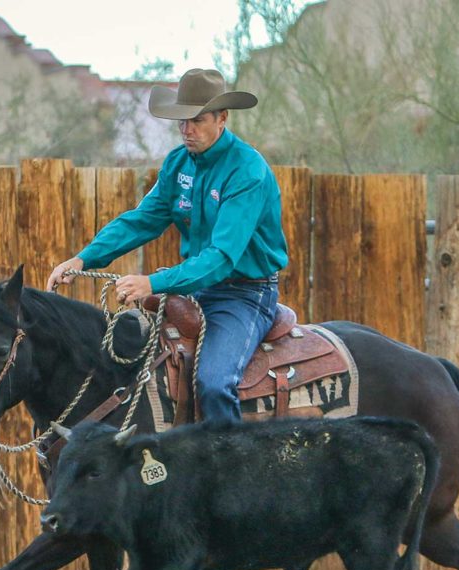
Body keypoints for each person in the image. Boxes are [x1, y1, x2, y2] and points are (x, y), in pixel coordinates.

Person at [47, 68, 288, 422]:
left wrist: (152, 283)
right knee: (129, 363)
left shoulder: (247, 171)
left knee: (214, 383)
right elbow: (142, 220)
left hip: (245, 294)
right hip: (195, 290)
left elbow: (221, 258)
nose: (187, 130)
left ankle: (229, 456)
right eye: (182, 121)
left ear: (222, 118)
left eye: (198, 120)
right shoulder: (178, 164)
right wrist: (83, 260)